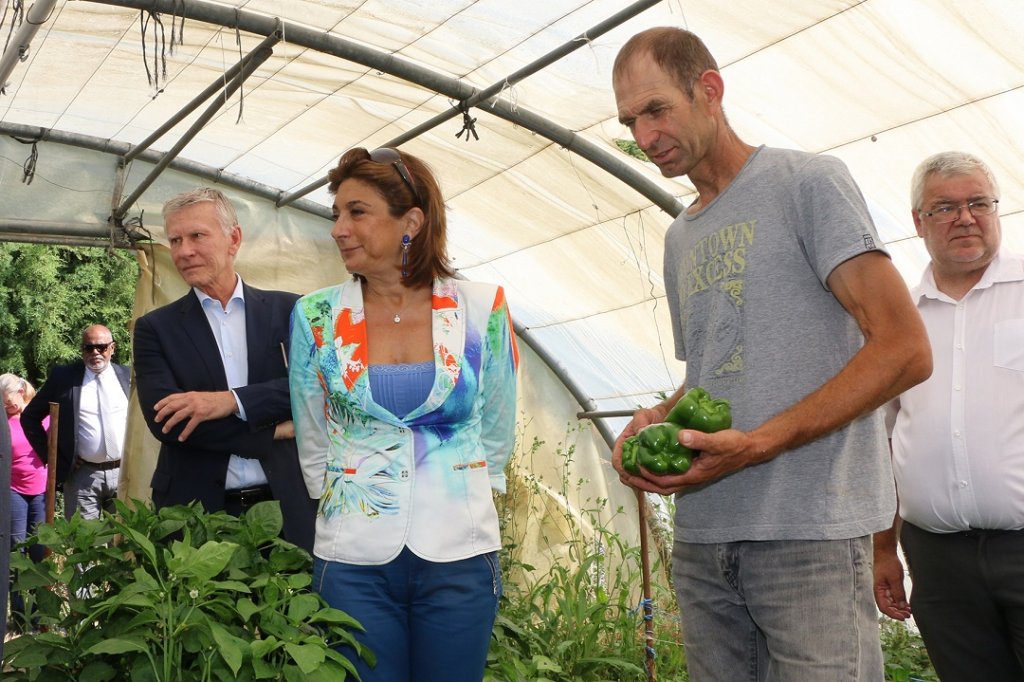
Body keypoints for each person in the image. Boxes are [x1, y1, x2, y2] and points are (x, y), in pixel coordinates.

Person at [610, 27, 933, 681]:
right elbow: (718, 368)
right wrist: (655, 420)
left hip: (809, 529)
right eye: (629, 121)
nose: (644, 138)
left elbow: (903, 347)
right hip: (705, 535)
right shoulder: (680, 236)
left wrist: (764, 441)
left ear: (710, 90)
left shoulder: (806, 184)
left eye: (656, 110)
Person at [289, 147, 519, 682]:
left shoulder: (483, 307)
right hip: (353, 560)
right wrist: (339, 502)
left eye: (357, 212)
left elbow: (496, 425)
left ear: (410, 221)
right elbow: (313, 429)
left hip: (458, 554)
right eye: (336, 214)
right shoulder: (316, 315)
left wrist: (467, 498)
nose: (339, 229)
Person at [873, 152, 1024, 682]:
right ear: (918, 222)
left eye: (978, 202)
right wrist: (882, 548)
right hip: (937, 560)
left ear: (996, 210)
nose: (965, 217)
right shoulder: (898, 317)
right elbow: (884, 440)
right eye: (945, 207)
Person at [133, 187, 316, 552]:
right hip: (194, 515)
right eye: (175, 240)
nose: (184, 251)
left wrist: (229, 402)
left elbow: (312, 391)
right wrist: (272, 432)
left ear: (233, 239)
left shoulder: (291, 312)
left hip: (287, 508)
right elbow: (167, 423)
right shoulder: (155, 328)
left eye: (197, 235)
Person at [22, 325, 130, 520]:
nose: (95, 353)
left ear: (112, 348)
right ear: (82, 350)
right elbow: (30, 417)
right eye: (89, 348)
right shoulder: (64, 378)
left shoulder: (128, 376)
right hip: (83, 476)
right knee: (85, 544)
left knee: (125, 543)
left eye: (102, 347)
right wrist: (51, 456)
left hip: (124, 474)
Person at [2, 373, 48, 631]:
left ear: (22, 391)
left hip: (41, 491)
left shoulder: (41, 414)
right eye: (3, 405)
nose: (8, 408)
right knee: (16, 552)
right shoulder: (3, 423)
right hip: (14, 491)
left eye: (10, 402)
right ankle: (20, 618)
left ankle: (42, 616)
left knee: (39, 552)